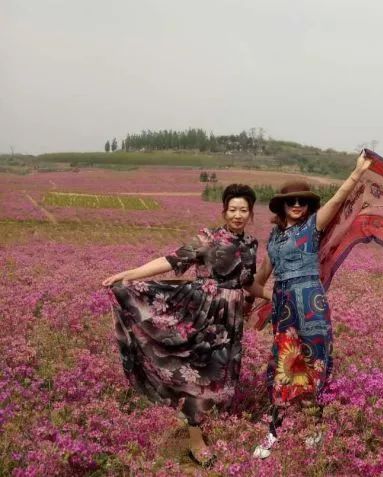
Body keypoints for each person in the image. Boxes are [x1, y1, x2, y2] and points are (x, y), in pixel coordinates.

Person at [102, 184, 270, 467]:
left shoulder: (251, 244)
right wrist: (129, 273)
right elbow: (170, 260)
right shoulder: (208, 237)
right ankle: (196, 442)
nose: (238, 215)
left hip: (229, 321)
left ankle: (202, 429)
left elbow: (247, 283)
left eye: (243, 210)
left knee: (218, 379)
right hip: (201, 314)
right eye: (233, 209)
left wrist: (272, 295)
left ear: (251, 212)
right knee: (196, 379)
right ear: (224, 210)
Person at [252, 153, 372, 458]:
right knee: (282, 369)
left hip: (312, 309)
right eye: (291, 201)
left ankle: (314, 429)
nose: (296, 206)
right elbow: (259, 278)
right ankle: (273, 432)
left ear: (308, 206)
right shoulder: (274, 239)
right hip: (284, 313)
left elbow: (338, 199)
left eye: (302, 201)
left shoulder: (312, 228)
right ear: (281, 205)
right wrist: (254, 295)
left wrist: (356, 173)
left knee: (314, 366)